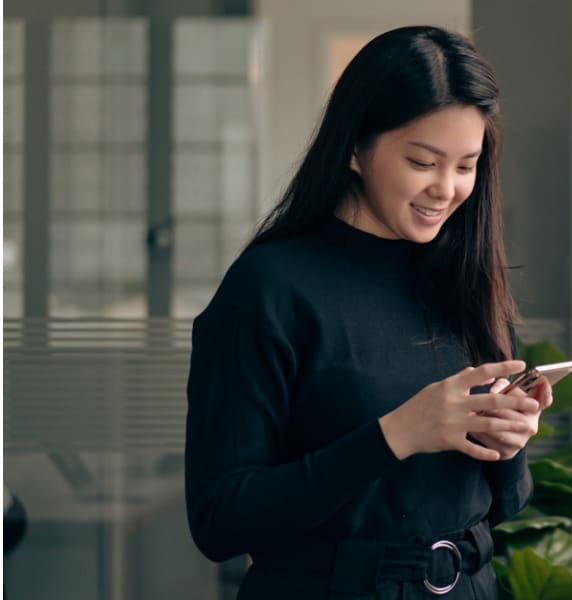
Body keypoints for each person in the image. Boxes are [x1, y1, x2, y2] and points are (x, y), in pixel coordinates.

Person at [184, 26, 551, 600]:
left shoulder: (463, 276)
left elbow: (502, 505)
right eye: (423, 161)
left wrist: (506, 442)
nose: (447, 189)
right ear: (356, 148)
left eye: (466, 165)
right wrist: (400, 433)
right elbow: (219, 520)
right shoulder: (270, 288)